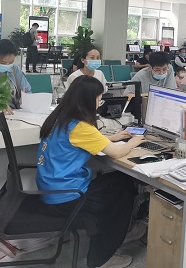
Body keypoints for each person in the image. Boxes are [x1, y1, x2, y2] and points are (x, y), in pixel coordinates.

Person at [36, 75, 145, 268]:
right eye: (98, 99)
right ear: (88, 100)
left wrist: (112, 137)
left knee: (119, 181)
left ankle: (122, 232)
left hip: (52, 190)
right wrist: (134, 141)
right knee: (123, 188)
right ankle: (103, 258)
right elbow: (117, 152)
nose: (99, 104)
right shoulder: (81, 127)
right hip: (69, 197)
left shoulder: (60, 118)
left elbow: (85, 139)